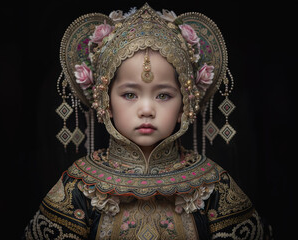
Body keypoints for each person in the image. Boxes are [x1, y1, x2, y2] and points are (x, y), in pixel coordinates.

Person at [23, 4, 265, 239]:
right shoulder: (80, 185)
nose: (147, 109)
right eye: (130, 95)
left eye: (163, 95)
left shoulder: (212, 184)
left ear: (185, 105)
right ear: (105, 101)